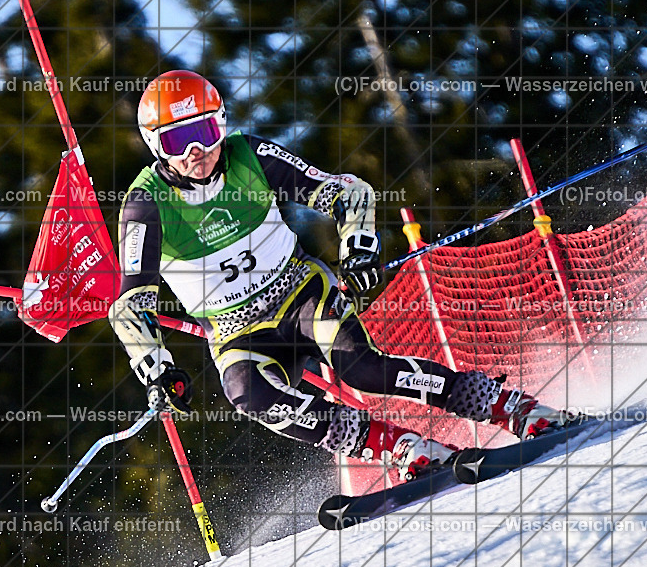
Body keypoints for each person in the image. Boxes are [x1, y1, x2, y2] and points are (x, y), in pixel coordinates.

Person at [108, 70, 573, 480]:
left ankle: (509, 407)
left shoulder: (248, 156)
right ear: (155, 145)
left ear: (222, 125)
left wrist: (360, 246)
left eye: (205, 132)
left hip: (299, 293)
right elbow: (132, 303)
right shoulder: (146, 205)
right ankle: (397, 446)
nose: (195, 152)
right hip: (235, 331)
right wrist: (156, 368)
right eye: (176, 142)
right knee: (249, 394)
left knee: (363, 368)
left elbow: (345, 192)